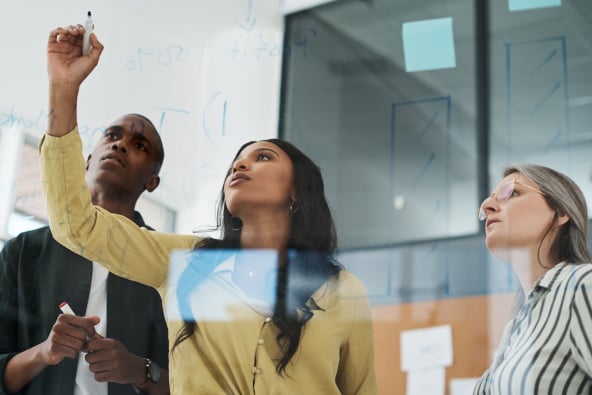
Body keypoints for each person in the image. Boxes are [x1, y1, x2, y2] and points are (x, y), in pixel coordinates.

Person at [39, 24, 377, 394]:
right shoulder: (184, 263)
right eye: (236, 162)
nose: (240, 166)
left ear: (296, 193)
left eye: (262, 157)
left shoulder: (343, 290)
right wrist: (63, 89)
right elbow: (75, 224)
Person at [0, 113, 171, 393]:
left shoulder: (167, 262)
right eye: (112, 136)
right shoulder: (22, 252)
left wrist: (139, 370)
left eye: (140, 145)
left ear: (152, 182)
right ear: (89, 160)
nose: (120, 145)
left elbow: (192, 383)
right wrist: (43, 353)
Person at [473, 164, 592, 394]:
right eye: (488, 200)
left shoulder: (582, 286)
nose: (487, 206)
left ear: (559, 212)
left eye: (512, 193)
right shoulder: (518, 325)